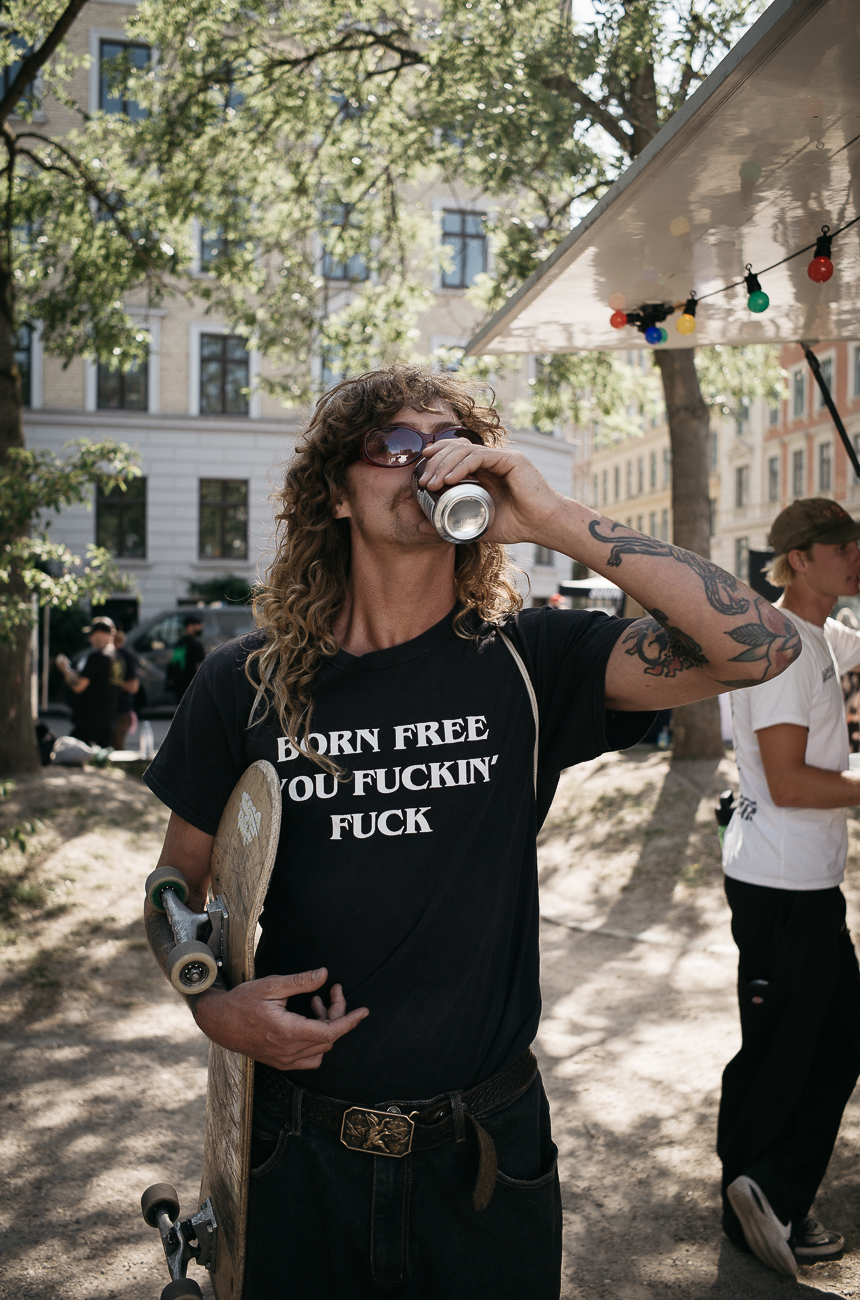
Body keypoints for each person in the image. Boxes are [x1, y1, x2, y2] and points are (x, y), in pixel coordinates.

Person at [143, 366, 798, 1298]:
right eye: (394, 444)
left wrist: (553, 519)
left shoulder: (531, 660)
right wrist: (209, 1003)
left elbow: (763, 646)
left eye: (448, 442)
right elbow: (175, 882)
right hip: (298, 1150)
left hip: (487, 1158)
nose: (427, 464)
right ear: (336, 494)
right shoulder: (243, 681)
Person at [719, 497, 860, 1277]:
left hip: (801, 882)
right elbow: (789, 783)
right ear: (799, 558)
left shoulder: (817, 634)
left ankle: (763, 1192)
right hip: (780, 885)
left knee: (830, 1039)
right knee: (787, 1052)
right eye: (841, 546)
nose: (856, 555)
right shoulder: (782, 648)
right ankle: (765, 1196)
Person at [55, 615, 124, 749]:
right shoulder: (118, 658)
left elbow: (78, 686)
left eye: (91, 634)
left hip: (90, 722)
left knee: (72, 753)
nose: (90, 638)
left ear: (100, 633)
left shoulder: (97, 657)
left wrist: (64, 669)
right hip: (108, 721)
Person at [166, 613, 206, 702]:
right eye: (198, 625)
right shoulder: (196, 645)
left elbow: (171, 662)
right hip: (191, 687)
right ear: (190, 626)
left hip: (178, 687)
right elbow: (200, 668)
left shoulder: (178, 643)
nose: (200, 628)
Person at [112, 628, 140, 750]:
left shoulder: (125, 655)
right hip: (109, 712)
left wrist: (111, 683)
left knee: (117, 750)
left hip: (121, 710)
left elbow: (133, 686)